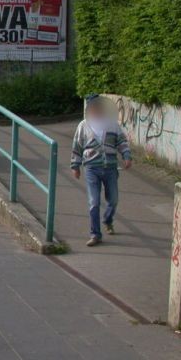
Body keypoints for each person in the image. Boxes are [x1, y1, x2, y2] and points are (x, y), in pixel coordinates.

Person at [71, 94, 132, 247]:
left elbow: (122, 141)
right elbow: (77, 146)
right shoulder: (83, 126)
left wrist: (126, 155)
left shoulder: (112, 124)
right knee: (94, 202)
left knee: (113, 200)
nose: (95, 109)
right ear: (89, 109)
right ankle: (95, 234)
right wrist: (75, 166)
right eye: (92, 107)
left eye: (98, 107)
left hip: (110, 168)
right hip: (91, 168)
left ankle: (108, 219)